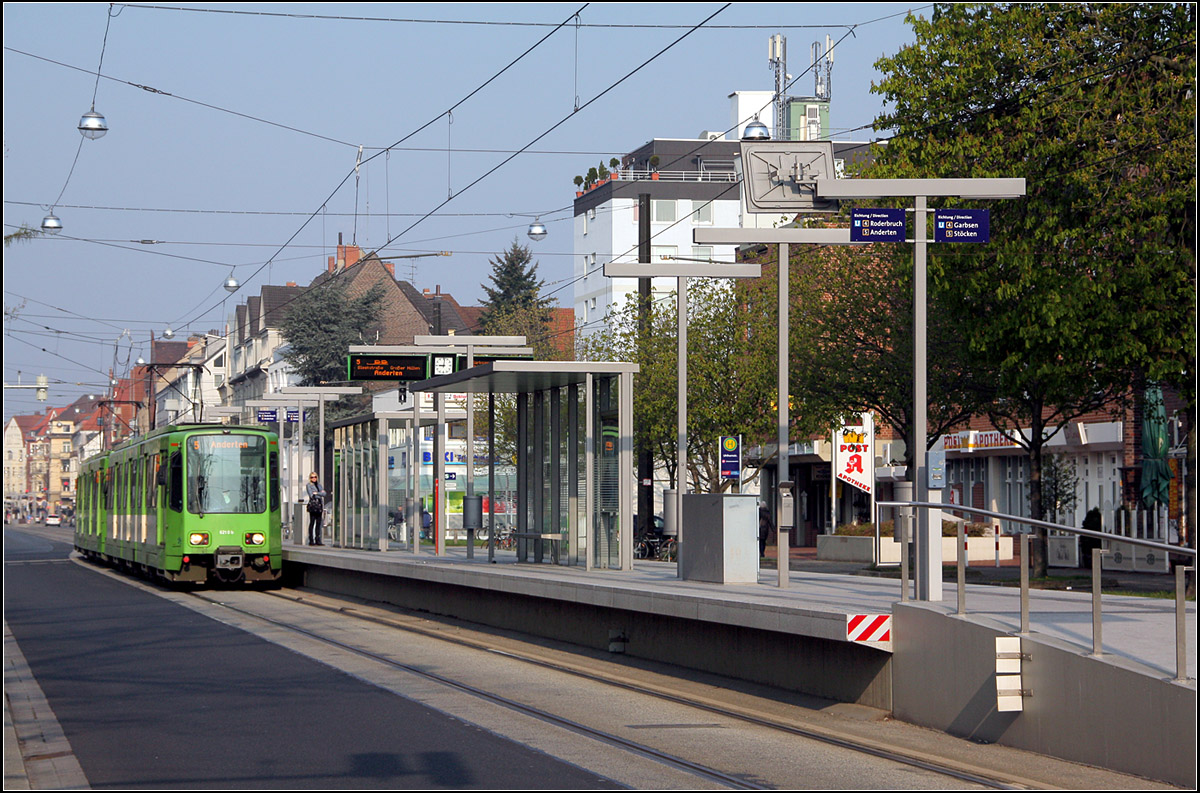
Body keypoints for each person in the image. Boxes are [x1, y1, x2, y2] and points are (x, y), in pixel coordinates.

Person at [305, 472, 327, 546]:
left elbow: (324, 494)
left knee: (319, 523)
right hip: (313, 505)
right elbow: (311, 495)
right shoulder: (309, 485)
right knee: (312, 522)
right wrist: (319, 493)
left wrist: (317, 493)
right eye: (312, 477)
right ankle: (311, 540)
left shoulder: (319, 485)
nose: (313, 478)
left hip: (320, 505)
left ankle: (318, 539)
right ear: (310, 478)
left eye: (315, 477)